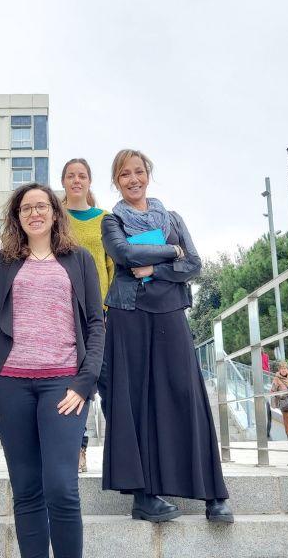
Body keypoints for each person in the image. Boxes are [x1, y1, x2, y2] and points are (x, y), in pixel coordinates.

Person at [0, 183, 104, 558]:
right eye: (25, 209)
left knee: (61, 487)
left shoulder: (79, 259)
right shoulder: (3, 262)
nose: (34, 213)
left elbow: (96, 324)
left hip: (63, 386)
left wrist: (84, 382)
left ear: (55, 212)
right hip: (11, 384)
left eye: (41, 206)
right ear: (17, 218)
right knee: (26, 490)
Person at [99, 149, 233, 524]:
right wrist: (169, 251)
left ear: (148, 175)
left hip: (170, 311)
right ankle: (144, 497)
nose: (133, 179)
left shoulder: (173, 217)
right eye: (124, 174)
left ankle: (214, 494)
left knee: (186, 393)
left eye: (138, 172)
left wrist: (155, 271)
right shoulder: (111, 221)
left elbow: (193, 263)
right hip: (129, 315)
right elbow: (124, 253)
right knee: (136, 401)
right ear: (117, 181)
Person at [61, 158, 114, 473]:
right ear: (64, 181)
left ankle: (117, 452)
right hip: (63, 313)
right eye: (71, 175)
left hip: (99, 314)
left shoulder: (104, 219)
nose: (76, 180)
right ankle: (77, 449)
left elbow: (112, 266)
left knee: (104, 379)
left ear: (89, 181)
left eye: (82, 175)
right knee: (71, 381)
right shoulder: (56, 219)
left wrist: (108, 308)